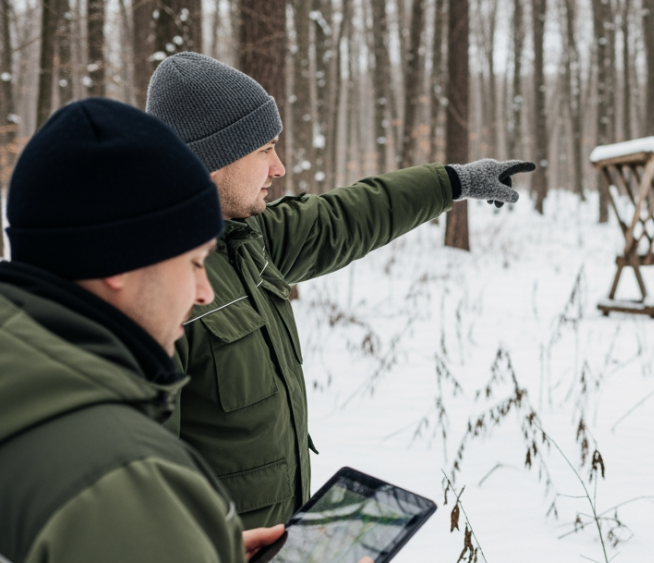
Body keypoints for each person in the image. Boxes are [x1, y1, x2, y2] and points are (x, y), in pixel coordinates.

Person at [0, 99, 401, 563]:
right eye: (191, 262)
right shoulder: (121, 478)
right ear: (121, 264)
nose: (203, 289)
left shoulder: (27, 400)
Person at [145, 52, 535, 528]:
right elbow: (144, 493)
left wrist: (453, 181)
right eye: (265, 150)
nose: (279, 168)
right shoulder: (154, 290)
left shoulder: (247, 240)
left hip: (271, 553)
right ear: (212, 160)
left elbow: (346, 216)